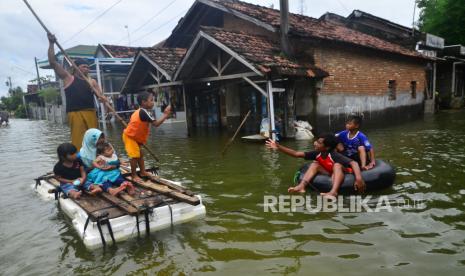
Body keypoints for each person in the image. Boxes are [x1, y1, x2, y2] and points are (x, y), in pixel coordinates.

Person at [47, 33, 107, 150]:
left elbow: (100, 97)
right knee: (79, 141)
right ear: (76, 67)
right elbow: (53, 63)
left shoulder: (92, 81)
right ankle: (80, 162)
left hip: (90, 112)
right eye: (84, 66)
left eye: (88, 67)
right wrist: (51, 43)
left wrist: (103, 99)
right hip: (75, 113)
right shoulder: (68, 78)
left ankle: (96, 160)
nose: (87, 69)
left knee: (95, 140)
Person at [266, 133, 365, 198]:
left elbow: (354, 163)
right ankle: (301, 186)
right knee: (315, 164)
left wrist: (359, 179)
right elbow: (296, 154)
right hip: (328, 172)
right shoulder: (317, 154)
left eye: (319, 143)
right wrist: (278, 147)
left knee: (337, 165)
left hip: (344, 172)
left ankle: (333, 192)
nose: (315, 143)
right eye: (316, 141)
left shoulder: (335, 155)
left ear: (327, 147)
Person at [122, 92, 171, 182]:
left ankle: (143, 172)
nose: (153, 102)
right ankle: (134, 176)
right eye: (151, 100)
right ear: (144, 102)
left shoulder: (143, 112)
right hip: (130, 137)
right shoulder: (143, 112)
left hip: (134, 137)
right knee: (134, 156)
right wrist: (165, 115)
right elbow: (155, 124)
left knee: (140, 155)